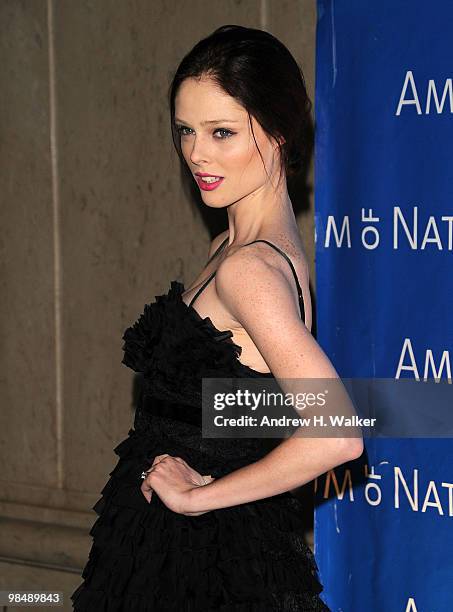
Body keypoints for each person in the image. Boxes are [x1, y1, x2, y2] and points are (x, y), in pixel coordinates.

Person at [71, 24, 363, 611]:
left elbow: (337, 434)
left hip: (203, 559)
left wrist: (198, 499)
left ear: (279, 133)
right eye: (186, 131)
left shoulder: (248, 270)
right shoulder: (230, 249)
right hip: (176, 545)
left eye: (221, 132)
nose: (196, 153)